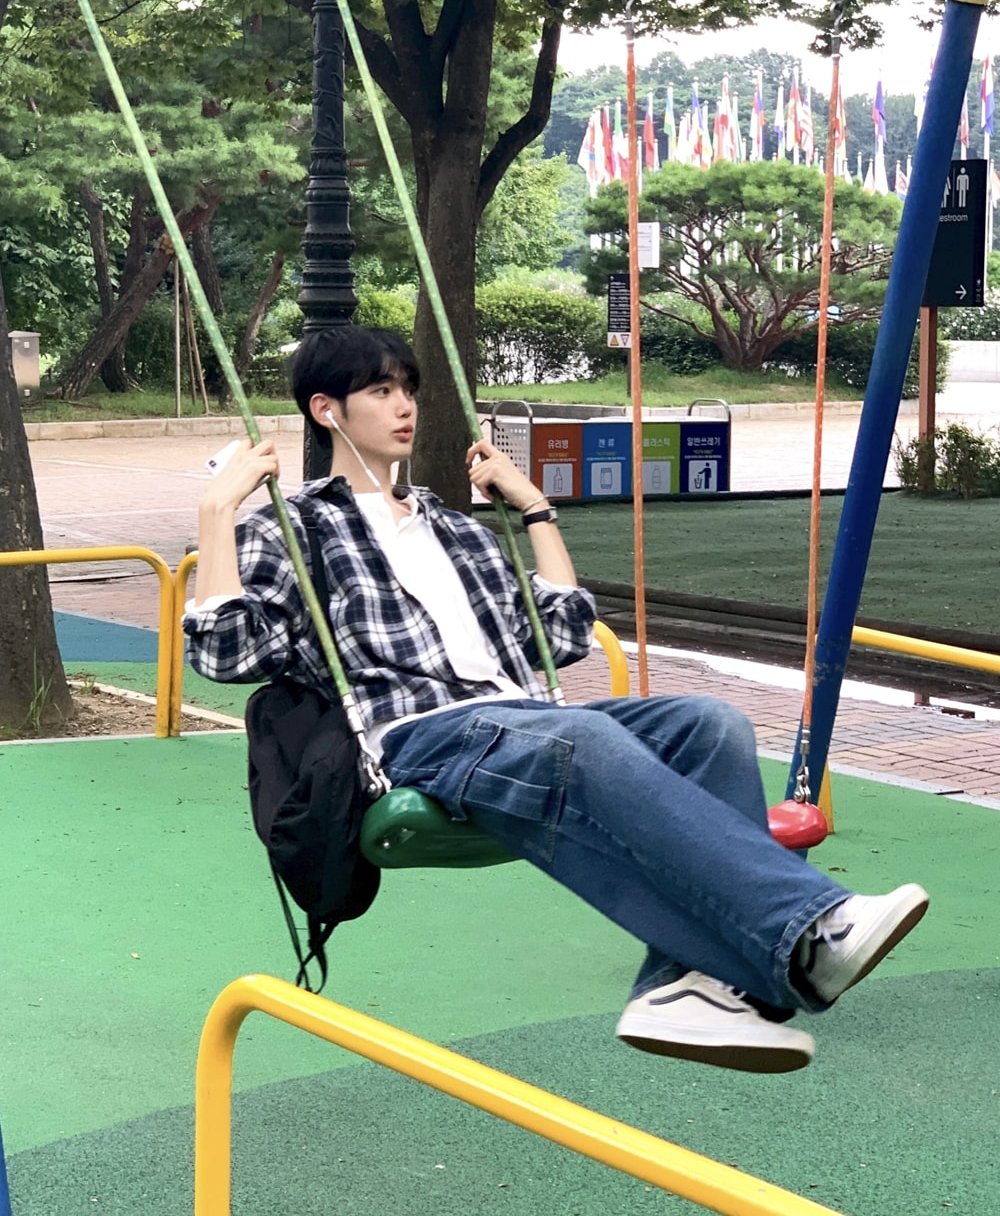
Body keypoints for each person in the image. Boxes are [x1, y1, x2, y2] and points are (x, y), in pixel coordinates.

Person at [184, 325, 929, 1074]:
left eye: (408, 389)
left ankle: (687, 987)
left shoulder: (457, 530)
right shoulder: (295, 529)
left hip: (519, 718)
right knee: (583, 740)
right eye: (380, 391)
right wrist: (218, 513)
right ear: (327, 410)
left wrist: (535, 508)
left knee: (710, 724)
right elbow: (227, 651)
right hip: (418, 734)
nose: (404, 406)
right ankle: (811, 922)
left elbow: (563, 630)